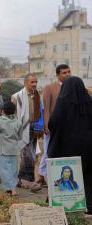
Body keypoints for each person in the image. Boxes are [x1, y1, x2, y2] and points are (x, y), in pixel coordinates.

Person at [47, 76, 92, 212]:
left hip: (67, 146)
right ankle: (89, 204)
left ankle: (67, 205)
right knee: (88, 175)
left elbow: (53, 123)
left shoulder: (62, 102)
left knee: (69, 173)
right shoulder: (89, 102)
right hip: (88, 146)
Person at [39, 64, 71, 185]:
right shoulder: (50, 87)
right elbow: (46, 109)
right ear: (58, 75)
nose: (67, 74)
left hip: (68, 128)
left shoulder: (73, 87)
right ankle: (42, 176)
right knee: (49, 151)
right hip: (53, 126)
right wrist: (46, 125)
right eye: (64, 73)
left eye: (69, 72)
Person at [0, 101, 24, 196]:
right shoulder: (18, 122)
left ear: (3, 111)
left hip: (4, 151)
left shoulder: (0, 122)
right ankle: (12, 188)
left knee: (4, 171)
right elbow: (20, 137)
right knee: (14, 171)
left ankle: (11, 189)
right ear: (14, 111)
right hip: (14, 150)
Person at [12, 74, 42, 191]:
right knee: (28, 155)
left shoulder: (37, 96)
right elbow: (13, 115)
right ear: (25, 82)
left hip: (35, 128)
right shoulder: (17, 97)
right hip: (22, 129)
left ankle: (21, 180)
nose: (34, 84)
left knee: (31, 154)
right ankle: (27, 181)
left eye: (36, 82)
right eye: (32, 82)